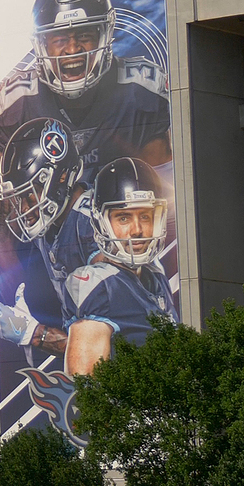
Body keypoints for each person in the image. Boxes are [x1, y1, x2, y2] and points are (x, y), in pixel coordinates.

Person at [0, 0, 171, 172]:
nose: (73, 49)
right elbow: (6, 196)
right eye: (59, 39)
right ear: (42, 45)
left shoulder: (141, 92)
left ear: (104, 35)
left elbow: (164, 190)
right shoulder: (17, 104)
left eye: (84, 36)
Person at [63, 157, 178, 375]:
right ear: (101, 223)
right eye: (124, 218)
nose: (137, 230)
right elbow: (85, 388)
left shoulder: (156, 279)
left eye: (145, 216)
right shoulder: (99, 286)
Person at [0, 118, 99, 355]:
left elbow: (102, 350)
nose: (22, 209)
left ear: (60, 177)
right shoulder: (51, 226)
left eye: (29, 195)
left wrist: (36, 334)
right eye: (18, 199)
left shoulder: (92, 225)